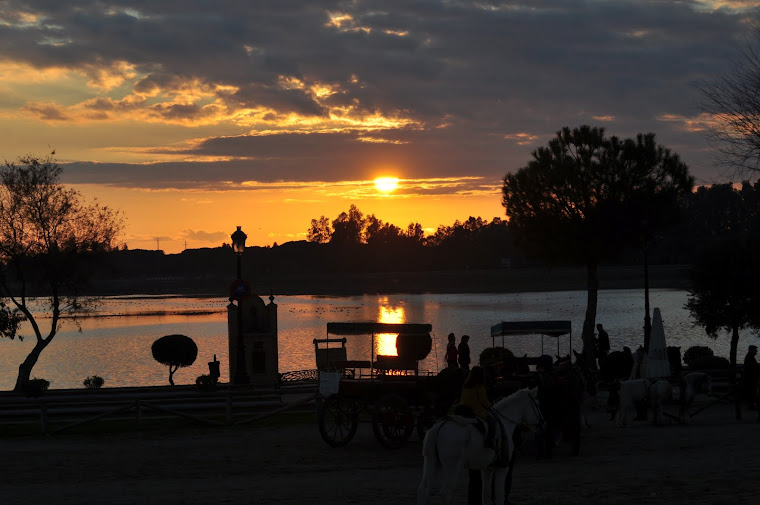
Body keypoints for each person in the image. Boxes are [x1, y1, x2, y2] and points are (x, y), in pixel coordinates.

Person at [459, 366, 497, 448]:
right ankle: (489, 441)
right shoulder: (480, 386)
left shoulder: (466, 384)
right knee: (492, 421)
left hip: (463, 408)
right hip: (475, 410)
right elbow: (484, 401)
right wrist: (491, 405)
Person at [743, 345, 758, 410]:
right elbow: (753, 368)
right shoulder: (750, 358)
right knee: (751, 392)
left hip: (751, 378)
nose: (756, 351)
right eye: (755, 350)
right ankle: (751, 405)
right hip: (750, 378)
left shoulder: (750, 357)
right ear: (751, 350)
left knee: (752, 392)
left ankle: (751, 405)